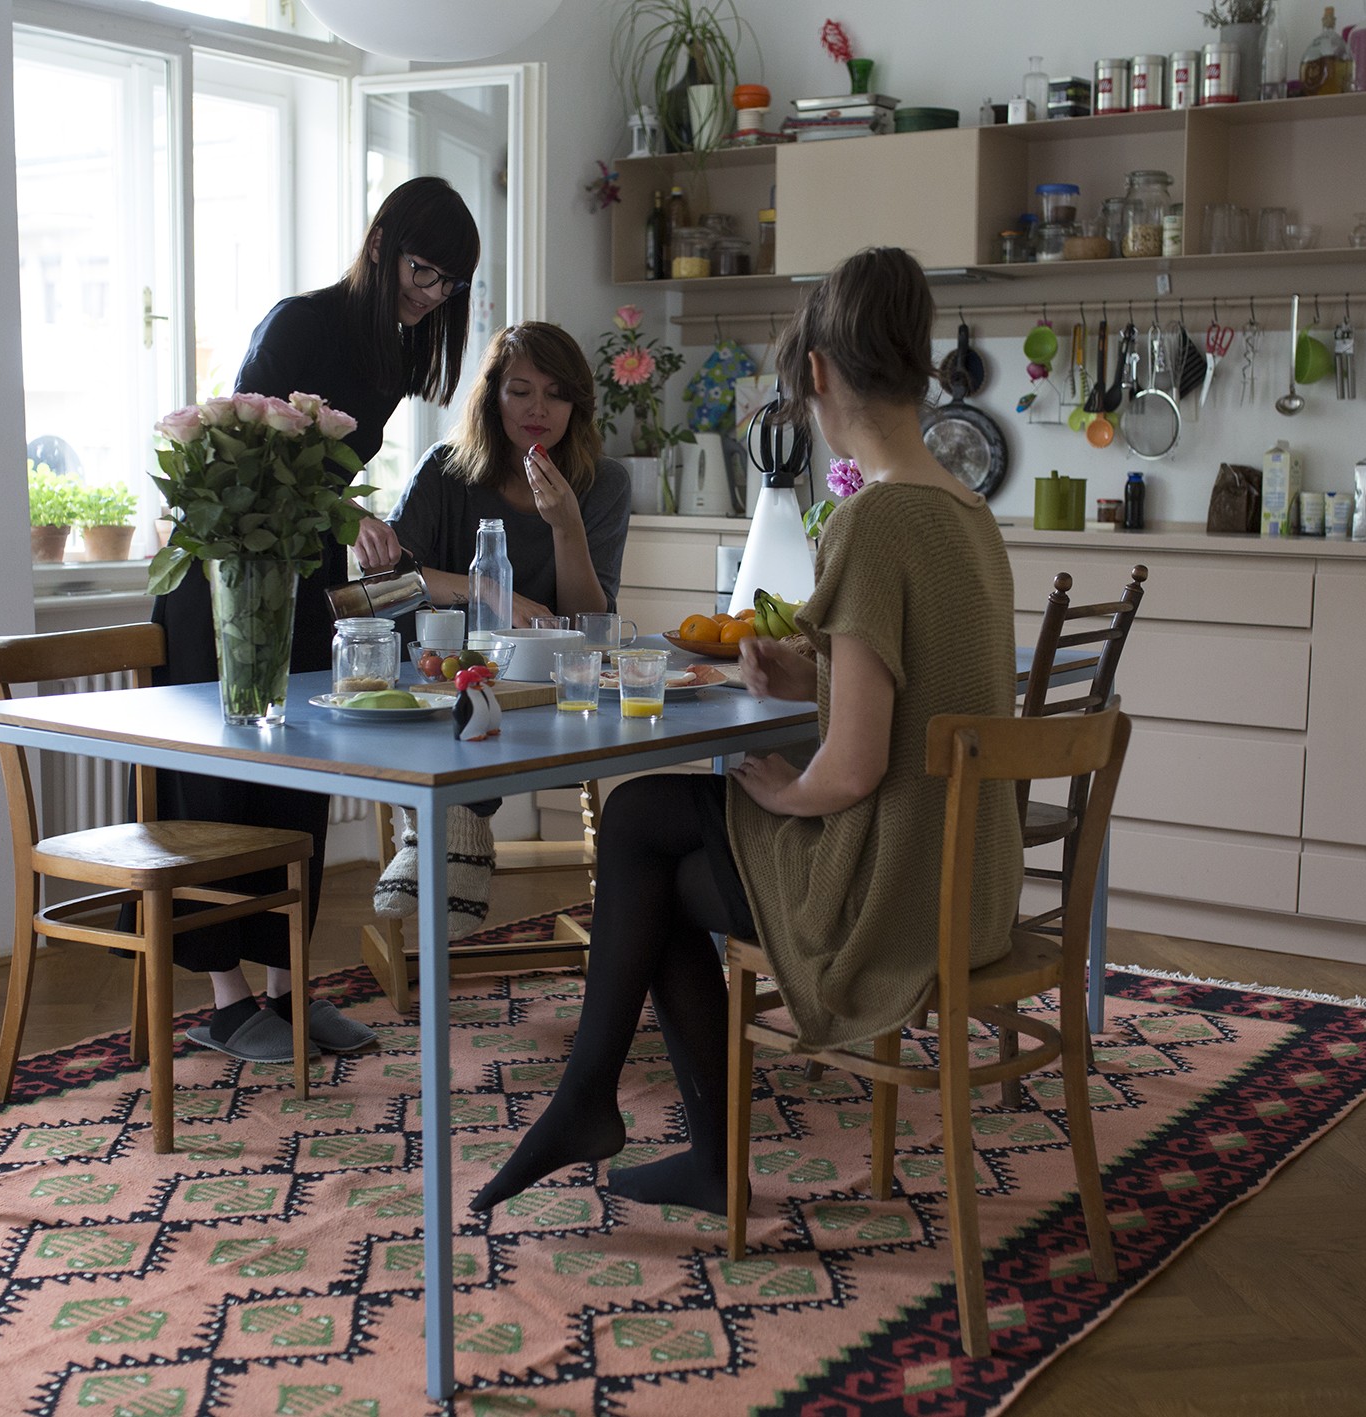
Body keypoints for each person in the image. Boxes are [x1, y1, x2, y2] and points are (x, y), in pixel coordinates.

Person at [470, 247, 1021, 1216]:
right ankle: (639, 1125)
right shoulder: (966, 511)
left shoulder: (873, 520)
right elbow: (921, 683)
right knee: (657, 852)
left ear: (817, 372)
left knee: (642, 831)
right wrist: (814, 671)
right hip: (966, 880)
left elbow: (852, 767)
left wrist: (784, 790)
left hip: (888, 892)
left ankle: (617, 1114)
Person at [150, 175, 479, 1064]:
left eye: (450, 281)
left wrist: (349, 520)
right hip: (228, 576)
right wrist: (347, 513)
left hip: (302, 575)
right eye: (422, 269)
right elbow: (251, 463)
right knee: (221, 791)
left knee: (298, 781)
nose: (433, 293)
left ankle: (287, 992)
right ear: (380, 245)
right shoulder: (300, 323)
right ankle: (225, 1002)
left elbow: (325, 478)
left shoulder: (397, 355)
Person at [358, 321, 632, 933]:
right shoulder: (446, 470)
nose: (539, 410)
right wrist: (488, 590)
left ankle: (437, 841)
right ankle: (452, 840)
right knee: (444, 689)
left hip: (546, 689)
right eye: (520, 391)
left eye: (556, 394)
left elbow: (593, 628)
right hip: (439, 675)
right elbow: (387, 583)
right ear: (492, 398)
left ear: (577, 406)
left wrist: (567, 526)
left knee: (485, 701)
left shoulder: (604, 482)